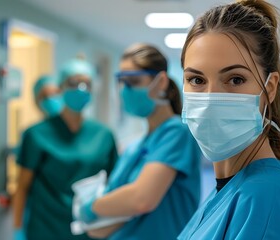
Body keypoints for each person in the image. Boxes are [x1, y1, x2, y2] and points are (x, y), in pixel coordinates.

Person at [177, 0, 280, 239]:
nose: (210, 101)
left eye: (235, 79)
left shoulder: (265, 202)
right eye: (197, 80)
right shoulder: (230, 189)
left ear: (269, 88)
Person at [77, 44, 201, 240]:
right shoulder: (134, 148)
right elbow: (101, 226)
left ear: (160, 81)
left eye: (134, 81)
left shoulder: (177, 134)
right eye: (122, 82)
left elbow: (140, 199)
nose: (125, 90)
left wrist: (92, 206)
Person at [12, 58, 118, 240]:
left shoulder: (104, 135)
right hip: (45, 230)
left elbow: (114, 185)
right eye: (74, 83)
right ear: (60, 88)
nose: (81, 88)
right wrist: (17, 228)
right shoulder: (36, 134)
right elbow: (22, 187)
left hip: (91, 229)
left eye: (87, 84)